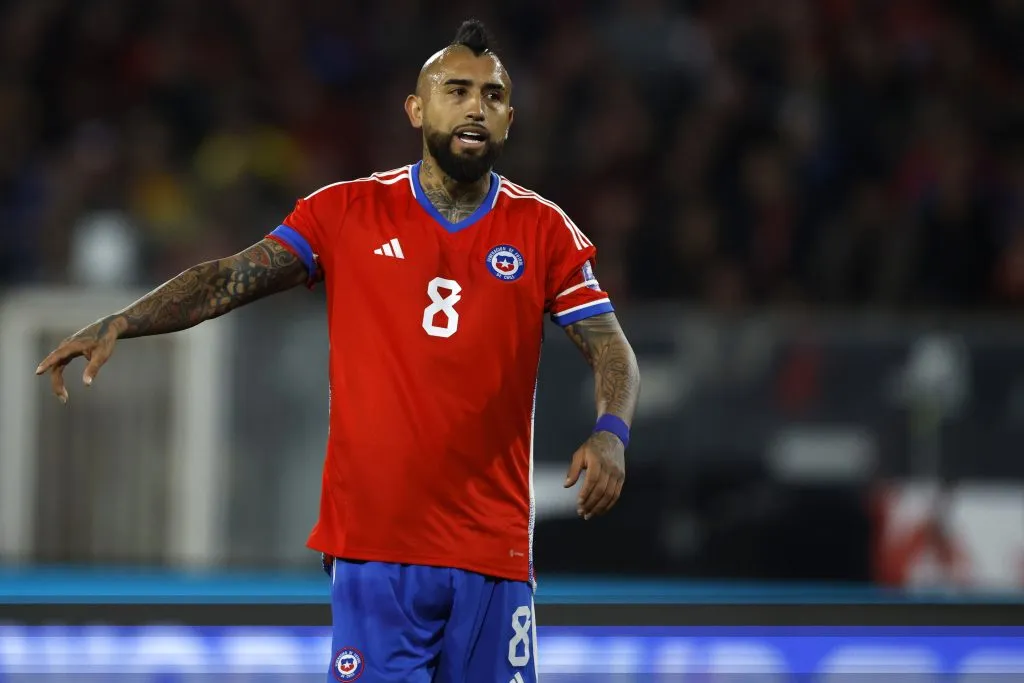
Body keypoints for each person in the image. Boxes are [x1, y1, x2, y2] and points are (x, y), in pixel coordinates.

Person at [35, 19, 641, 683]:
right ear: (416, 109)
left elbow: (611, 348)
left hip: (492, 550)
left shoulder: (543, 230)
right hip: (375, 552)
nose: (476, 106)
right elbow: (229, 277)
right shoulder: (345, 213)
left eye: (493, 96)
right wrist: (127, 318)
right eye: (457, 90)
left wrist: (611, 432)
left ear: (510, 120)